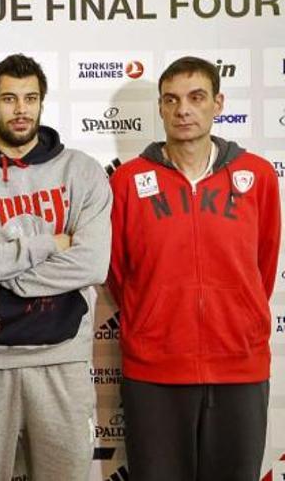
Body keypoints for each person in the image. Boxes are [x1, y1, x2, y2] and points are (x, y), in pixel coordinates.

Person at [0, 53, 112, 481]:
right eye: (9, 99)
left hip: (63, 361)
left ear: (42, 103)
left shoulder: (80, 171)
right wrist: (47, 245)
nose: (21, 109)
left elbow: (91, 262)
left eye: (30, 98)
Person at [108, 56, 280, 481]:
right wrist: (152, 318)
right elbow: (116, 272)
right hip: (155, 370)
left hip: (238, 365)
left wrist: (237, 315)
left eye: (196, 97)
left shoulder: (257, 176)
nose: (183, 109)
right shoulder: (127, 182)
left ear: (217, 103)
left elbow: (265, 261)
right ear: (161, 108)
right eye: (172, 100)